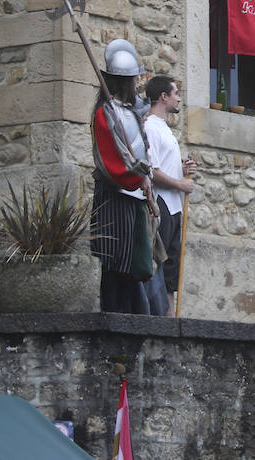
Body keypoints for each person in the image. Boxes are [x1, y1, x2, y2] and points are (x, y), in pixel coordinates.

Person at [90, 39, 158, 314]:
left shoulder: (129, 113)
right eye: (133, 80)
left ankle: (132, 318)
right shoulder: (104, 114)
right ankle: (113, 318)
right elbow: (111, 159)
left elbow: (141, 151)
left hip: (134, 195)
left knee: (132, 262)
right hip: (114, 194)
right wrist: (136, 175)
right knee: (113, 260)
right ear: (125, 82)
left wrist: (146, 182)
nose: (137, 85)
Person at [143, 75, 197, 317]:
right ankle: (157, 318)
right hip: (161, 204)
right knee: (160, 265)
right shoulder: (150, 127)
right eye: (175, 93)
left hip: (174, 206)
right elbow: (151, 171)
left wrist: (182, 171)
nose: (178, 98)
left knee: (172, 270)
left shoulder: (164, 128)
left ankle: (170, 321)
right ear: (163, 97)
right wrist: (180, 184)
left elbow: (163, 166)